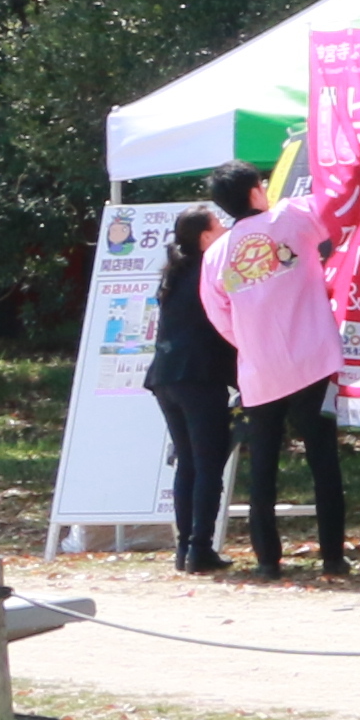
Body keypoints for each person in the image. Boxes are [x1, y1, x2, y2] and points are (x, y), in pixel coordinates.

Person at [202, 160, 354, 583]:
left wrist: (251, 340)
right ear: (255, 192)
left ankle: (268, 559)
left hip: (259, 371)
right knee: (323, 460)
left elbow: (219, 316)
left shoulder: (216, 254)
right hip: (313, 361)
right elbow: (338, 209)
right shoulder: (290, 217)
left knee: (263, 467)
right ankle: (332, 558)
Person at [146, 203, 235, 575]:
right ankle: (200, 548)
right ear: (205, 236)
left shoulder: (175, 273)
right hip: (199, 376)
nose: (226, 230)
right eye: (219, 226)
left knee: (188, 463)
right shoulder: (210, 271)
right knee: (208, 464)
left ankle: (185, 547)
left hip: (166, 376)